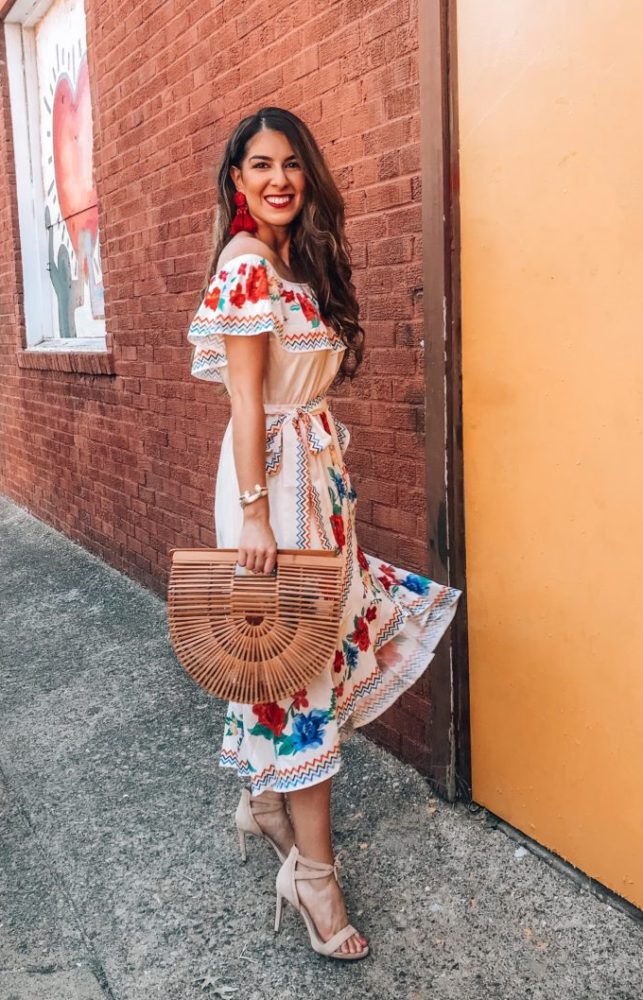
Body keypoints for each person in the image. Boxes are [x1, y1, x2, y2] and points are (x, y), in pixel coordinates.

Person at [186, 107, 463, 961]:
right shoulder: (243, 268)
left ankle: (268, 804)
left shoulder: (288, 262)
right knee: (299, 675)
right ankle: (313, 875)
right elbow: (243, 403)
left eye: (291, 164)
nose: (277, 179)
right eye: (259, 165)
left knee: (311, 653)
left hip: (315, 478)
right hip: (274, 488)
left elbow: (297, 393)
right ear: (236, 180)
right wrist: (259, 513)